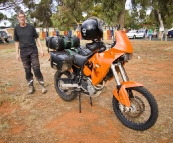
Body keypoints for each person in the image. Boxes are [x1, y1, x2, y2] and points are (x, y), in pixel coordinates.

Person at [14, 10, 47, 95]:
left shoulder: (31, 27)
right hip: (23, 52)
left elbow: (37, 38)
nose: (22, 18)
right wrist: (17, 53)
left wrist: (41, 49)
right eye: (20, 17)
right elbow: (17, 42)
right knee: (27, 70)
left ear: (25, 17)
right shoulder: (16, 29)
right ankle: (31, 87)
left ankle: (42, 86)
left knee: (36, 69)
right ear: (18, 18)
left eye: (23, 17)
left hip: (33, 50)